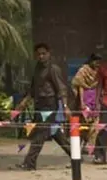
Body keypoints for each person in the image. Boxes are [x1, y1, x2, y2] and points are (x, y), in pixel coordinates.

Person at [15, 43, 70, 171]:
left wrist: (65, 106)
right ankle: (75, 155)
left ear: (48, 54)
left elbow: (62, 89)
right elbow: (33, 89)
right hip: (39, 105)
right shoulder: (37, 69)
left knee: (39, 134)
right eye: (38, 54)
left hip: (50, 105)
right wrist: (24, 102)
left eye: (43, 53)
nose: (41, 56)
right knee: (56, 133)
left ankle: (30, 163)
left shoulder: (53, 69)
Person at [70, 53, 103, 156]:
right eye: (95, 61)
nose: (97, 64)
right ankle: (78, 149)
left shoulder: (99, 72)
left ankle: (90, 148)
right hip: (84, 101)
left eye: (99, 62)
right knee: (83, 127)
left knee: (95, 127)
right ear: (91, 60)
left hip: (96, 100)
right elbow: (79, 86)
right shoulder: (83, 71)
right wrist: (82, 103)